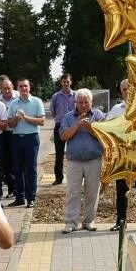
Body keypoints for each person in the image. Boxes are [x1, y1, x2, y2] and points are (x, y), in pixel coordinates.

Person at [57, 88, 105, 233]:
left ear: (92, 102)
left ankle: (89, 221)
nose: (83, 105)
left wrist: (89, 127)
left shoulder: (98, 115)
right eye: (80, 102)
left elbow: (103, 136)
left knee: (92, 192)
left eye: (86, 102)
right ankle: (71, 223)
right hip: (75, 161)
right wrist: (77, 125)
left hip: (94, 160)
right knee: (73, 192)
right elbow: (63, 136)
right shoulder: (68, 117)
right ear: (75, 102)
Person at [108, 79, 136, 233]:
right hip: (123, 156)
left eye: (130, 88)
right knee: (121, 190)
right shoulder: (116, 109)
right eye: (124, 89)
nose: (127, 92)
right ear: (121, 92)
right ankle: (121, 221)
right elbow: (108, 129)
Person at [6, 78, 46, 207]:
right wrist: (17, 119)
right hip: (17, 139)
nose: (23, 88)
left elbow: (42, 121)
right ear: (17, 88)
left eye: (25, 86)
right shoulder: (13, 104)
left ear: (29, 88)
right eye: (21, 86)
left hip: (31, 138)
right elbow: (10, 124)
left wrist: (25, 117)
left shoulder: (36, 102)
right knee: (17, 169)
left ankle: (31, 198)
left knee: (31, 169)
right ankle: (20, 197)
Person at [49, 73, 76, 186]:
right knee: (59, 154)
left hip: (73, 126)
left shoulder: (76, 95)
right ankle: (58, 178)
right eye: (64, 82)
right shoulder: (56, 96)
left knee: (74, 152)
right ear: (61, 82)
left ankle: (74, 176)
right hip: (60, 126)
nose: (66, 84)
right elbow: (53, 111)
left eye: (67, 82)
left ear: (71, 82)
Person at [0, 76, 17, 198]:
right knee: (5, 161)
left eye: (9, 88)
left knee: (16, 161)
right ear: (0, 88)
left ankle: (16, 189)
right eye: (4, 89)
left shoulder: (18, 97)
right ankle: (10, 188)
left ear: (12, 87)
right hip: (3, 133)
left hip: (16, 132)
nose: (7, 91)